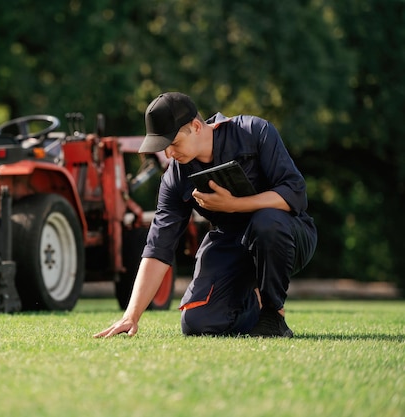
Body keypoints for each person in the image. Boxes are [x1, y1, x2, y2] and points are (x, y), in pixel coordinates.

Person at [94, 92, 317, 338]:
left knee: (266, 222)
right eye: (162, 147)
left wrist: (235, 205)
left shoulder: (254, 131)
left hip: (288, 235)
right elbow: (159, 246)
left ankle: (273, 315)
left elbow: (295, 194)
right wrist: (131, 315)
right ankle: (253, 303)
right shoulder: (174, 177)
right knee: (197, 324)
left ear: (196, 127)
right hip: (231, 244)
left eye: (173, 143)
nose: (169, 154)